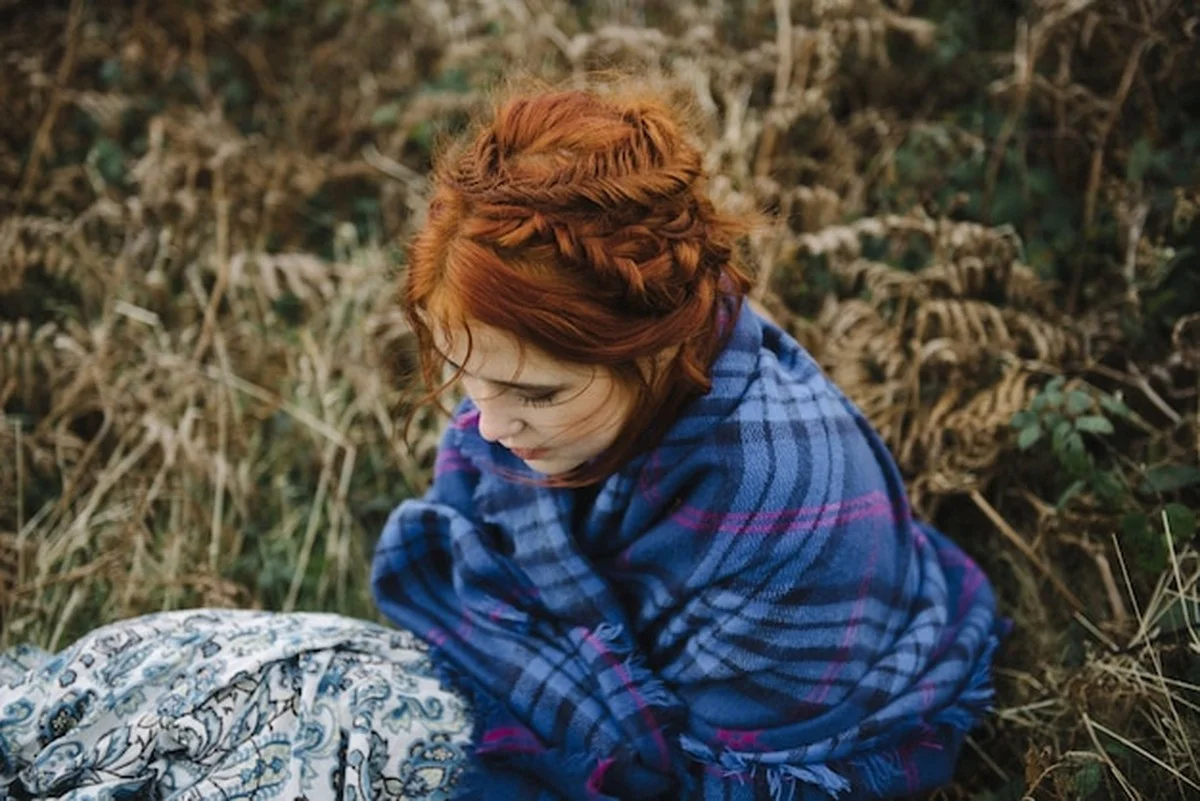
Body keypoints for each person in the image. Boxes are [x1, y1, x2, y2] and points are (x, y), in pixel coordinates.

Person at [370, 82, 1005, 800]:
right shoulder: (542, 386)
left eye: (534, 394)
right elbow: (476, 537)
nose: (485, 427)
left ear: (655, 350)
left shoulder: (781, 509)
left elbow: (742, 780)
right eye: (467, 379)